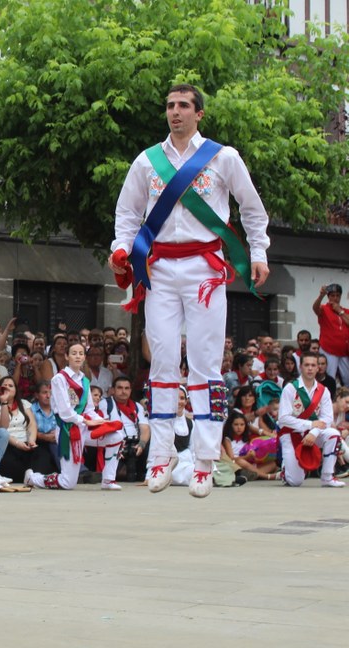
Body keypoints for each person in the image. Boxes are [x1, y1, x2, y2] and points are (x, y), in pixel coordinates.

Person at [109, 83, 269, 498]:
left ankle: (203, 460)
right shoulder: (147, 162)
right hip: (159, 269)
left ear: (199, 113)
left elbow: (251, 208)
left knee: (204, 363)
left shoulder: (222, 157)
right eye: (169, 106)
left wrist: (259, 252)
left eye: (183, 106)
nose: (175, 112)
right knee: (161, 359)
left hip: (205, 270)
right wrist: (121, 249)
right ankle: (161, 456)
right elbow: (127, 213)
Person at [24, 343, 125, 491]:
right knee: (68, 483)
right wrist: (86, 421)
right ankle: (33, 478)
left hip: (84, 427)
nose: (78, 356)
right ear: (67, 356)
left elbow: (89, 408)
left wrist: (100, 421)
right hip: (68, 430)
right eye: (74, 353)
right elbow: (65, 412)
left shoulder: (84, 380)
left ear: (84, 357)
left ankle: (108, 479)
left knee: (116, 436)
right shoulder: (59, 379)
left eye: (81, 353)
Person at [277, 352, 344, 487]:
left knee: (334, 434)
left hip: (313, 433)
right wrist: (310, 424)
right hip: (291, 433)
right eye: (306, 365)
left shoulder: (323, 390)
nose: (310, 368)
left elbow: (327, 418)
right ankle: (285, 471)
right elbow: (283, 418)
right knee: (295, 481)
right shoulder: (290, 388)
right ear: (300, 367)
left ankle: (327, 476)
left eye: (313, 365)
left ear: (318, 368)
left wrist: (313, 432)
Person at [312, 284, 349, 386]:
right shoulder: (324, 309)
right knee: (329, 377)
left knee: (347, 378)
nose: (335, 298)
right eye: (332, 295)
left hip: (344, 351)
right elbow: (315, 309)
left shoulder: (345, 311)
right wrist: (321, 296)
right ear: (328, 297)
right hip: (329, 350)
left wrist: (340, 311)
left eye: (337, 295)